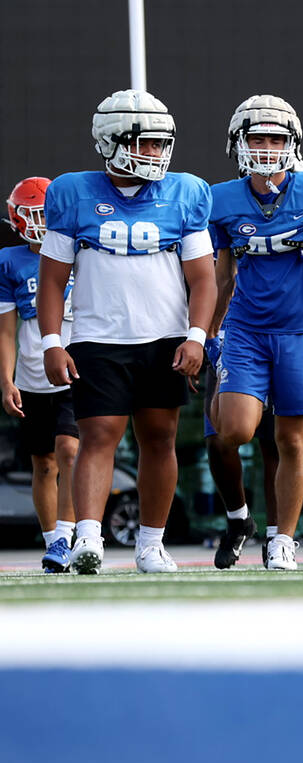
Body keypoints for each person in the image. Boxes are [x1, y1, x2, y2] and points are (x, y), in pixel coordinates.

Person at [37, 89, 216, 574]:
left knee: (160, 438)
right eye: (145, 144)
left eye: (161, 145)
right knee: (98, 436)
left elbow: (204, 279)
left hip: (164, 337)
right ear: (110, 141)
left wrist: (196, 336)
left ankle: (150, 544)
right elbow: (52, 280)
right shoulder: (72, 192)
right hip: (98, 336)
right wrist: (52, 341)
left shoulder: (187, 191)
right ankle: (89, 537)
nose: (155, 154)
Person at [207, 95, 303, 571]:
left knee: (291, 440)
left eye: (276, 138)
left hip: (299, 331)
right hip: (244, 330)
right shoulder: (222, 198)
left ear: (293, 144)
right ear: (238, 143)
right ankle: (239, 516)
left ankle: (283, 538)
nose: (266, 147)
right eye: (257, 138)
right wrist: (206, 333)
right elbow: (221, 276)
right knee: (234, 430)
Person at [0, 177, 77, 572]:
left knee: (70, 449)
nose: (42, 223)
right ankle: (53, 544)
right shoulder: (9, 261)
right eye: (34, 215)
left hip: (75, 365)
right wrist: (6, 379)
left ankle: (66, 535)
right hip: (32, 374)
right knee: (44, 463)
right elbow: (5, 329)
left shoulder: (80, 250)